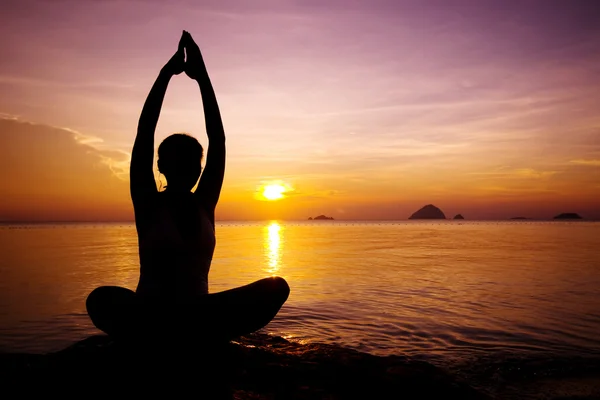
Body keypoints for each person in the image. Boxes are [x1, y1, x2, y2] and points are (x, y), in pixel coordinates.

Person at [86, 31, 289, 344]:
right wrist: (166, 75)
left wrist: (202, 76)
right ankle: (165, 331)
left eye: (193, 162)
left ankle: (193, 328)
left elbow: (218, 140)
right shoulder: (149, 203)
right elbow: (144, 135)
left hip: (199, 315)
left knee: (278, 287)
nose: (188, 167)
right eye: (178, 160)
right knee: (100, 299)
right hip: (152, 315)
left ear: (199, 169)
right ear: (161, 167)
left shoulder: (204, 204)